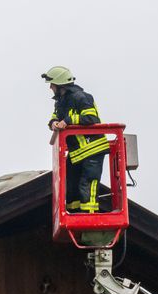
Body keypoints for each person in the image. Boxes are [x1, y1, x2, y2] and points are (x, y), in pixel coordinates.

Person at [42, 66, 110, 213]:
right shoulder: (60, 102)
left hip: (92, 149)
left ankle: (89, 214)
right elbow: (55, 117)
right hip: (76, 152)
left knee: (87, 183)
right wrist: (53, 123)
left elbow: (92, 118)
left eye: (51, 84)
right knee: (71, 185)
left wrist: (68, 120)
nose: (50, 88)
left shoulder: (82, 97)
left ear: (60, 84)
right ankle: (74, 212)